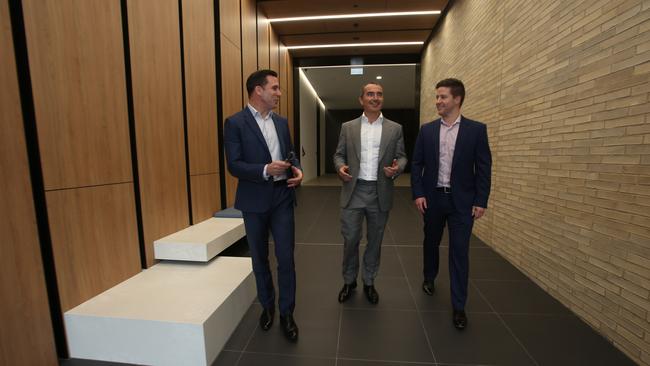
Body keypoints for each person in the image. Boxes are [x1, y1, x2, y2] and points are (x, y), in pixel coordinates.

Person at [224, 69, 303, 342]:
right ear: (258, 90)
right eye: (275, 88)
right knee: (259, 258)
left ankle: (287, 313)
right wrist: (266, 169)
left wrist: (297, 171)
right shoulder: (235, 123)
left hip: (282, 197)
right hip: (254, 200)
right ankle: (267, 307)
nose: (279, 93)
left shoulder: (282, 122)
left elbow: (291, 154)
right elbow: (234, 165)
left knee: (285, 258)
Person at [411, 78, 492, 330]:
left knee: (459, 251)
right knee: (431, 241)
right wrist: (418, 193)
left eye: (443, 97)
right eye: (437, 97)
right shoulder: (427, 130)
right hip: (433, 198)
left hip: (462, 203)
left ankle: (459, 306)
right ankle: (429, 276)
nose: (438, 101)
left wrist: (481, 200)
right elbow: (417, 164)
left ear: (457, 99)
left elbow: (484, 168)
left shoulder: (476, 130)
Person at [333, 82, 407, 304]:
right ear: (361, 99)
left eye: (379, 94)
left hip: (380, 192)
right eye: (370, 94)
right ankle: (348, 281)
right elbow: (338, 155)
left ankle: (369, 281)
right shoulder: (348, 127)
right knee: (351, 239)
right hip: (353, 191)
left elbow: (402, 156)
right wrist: (340, 167)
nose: (375, 98)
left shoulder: (395, 128)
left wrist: (398, 168)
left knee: (375, 241)